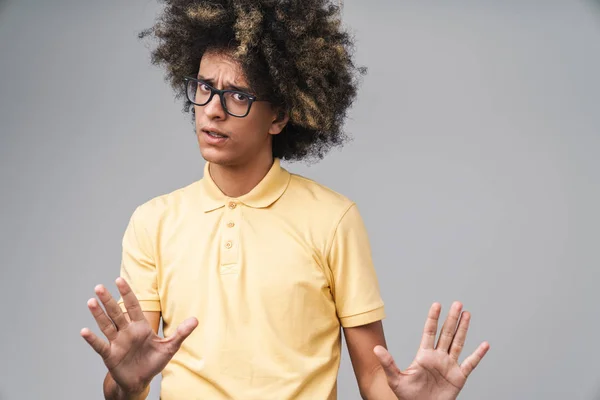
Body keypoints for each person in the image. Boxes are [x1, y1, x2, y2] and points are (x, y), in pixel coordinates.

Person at [80, 1, 490, 399]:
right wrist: (127, 385)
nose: (212, 111)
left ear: (278, 117)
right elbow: (129, 376)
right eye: (204, 88)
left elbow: (373, 379)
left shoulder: (333, 219)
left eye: (238, 95)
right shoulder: (153, 222)